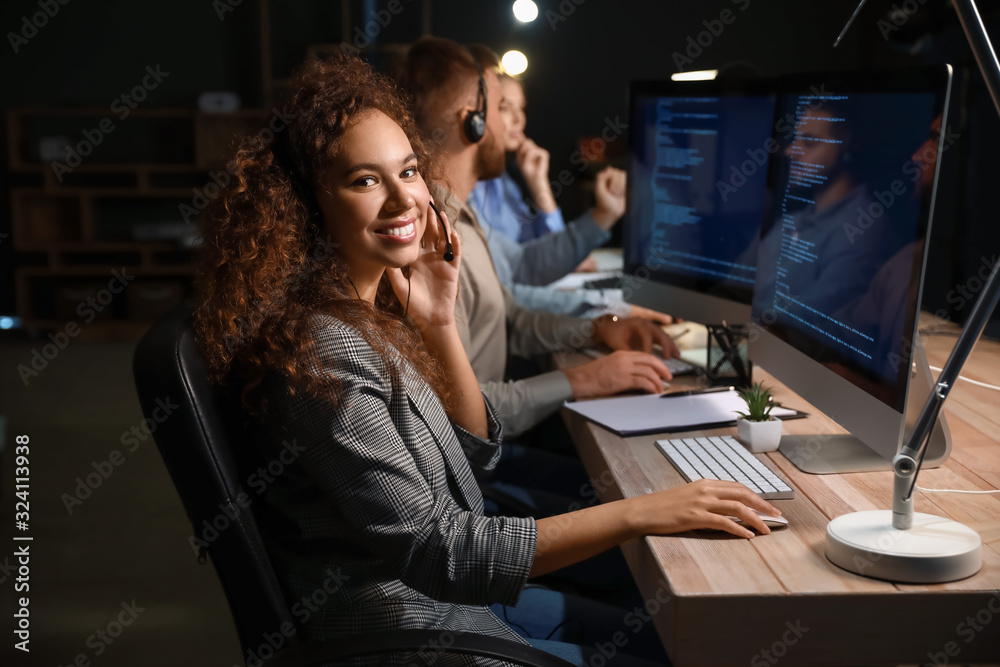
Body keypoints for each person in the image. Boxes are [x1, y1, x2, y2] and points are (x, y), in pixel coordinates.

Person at [192, 54, 779, 667]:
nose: (405, 200)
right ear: (308, 206)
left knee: (679, 635)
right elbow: (440, 554)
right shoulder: (325, 350)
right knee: (682, 647)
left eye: (410, 171)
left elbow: (474, 454)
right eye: (365, 180)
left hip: (451, 603)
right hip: (405, 630)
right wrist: (641, 512)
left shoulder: (374, 309)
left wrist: (440, 324)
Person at [396, 38, 680, 438]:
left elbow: (513, 318)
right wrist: (584, 381)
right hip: (481, 478)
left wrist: (599, 328)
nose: (511, 123)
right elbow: (460, 413)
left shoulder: (462, 218)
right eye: (499, 109)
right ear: (472, 121)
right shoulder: (431, 242)